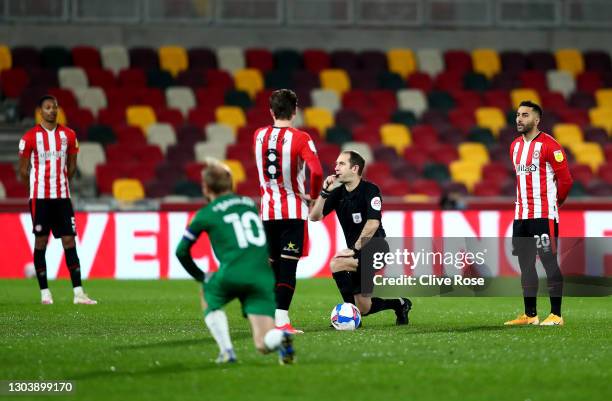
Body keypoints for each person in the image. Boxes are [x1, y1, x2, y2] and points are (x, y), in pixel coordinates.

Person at [175, 162, 295, 364]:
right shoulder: (248, 203)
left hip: (233, 273)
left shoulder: (206, 214)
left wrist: (201, 276)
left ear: (205, 187)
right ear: (231, 184)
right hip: (262, 276)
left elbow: (181, 251)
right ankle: (280, 339)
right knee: (262, 344)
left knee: (207, 292)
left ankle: (227, 351)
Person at [309, 150, 411, 325]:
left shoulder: (370, 190)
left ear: (355, 168)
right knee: (365, 307)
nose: (336, 168)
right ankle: (400, 304)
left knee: (337, 263)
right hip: (357, 253)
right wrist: (325, 192)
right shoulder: (338, 193)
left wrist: (354, 249)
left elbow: (373, 223)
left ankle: (351, 318)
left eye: (341, 164)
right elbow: (314, 216)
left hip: (376, 248)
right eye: (336, 164)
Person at [253, 89, 323, 333]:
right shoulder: (301, 138)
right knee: (287, 268)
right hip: (292, 212)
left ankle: (267, 318)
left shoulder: (258, 135)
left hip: (267, 213)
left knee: (272, 266)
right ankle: (282, 322)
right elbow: (316, 171)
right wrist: (313, 197)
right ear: (295, 111)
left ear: (271, 112)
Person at [18, 95, 96, 305]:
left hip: (62, 197)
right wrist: (36, 189)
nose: (52, 111)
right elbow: (23, 170)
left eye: (55, 107)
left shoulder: (69, 135)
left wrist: (60, 183)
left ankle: (79, 293)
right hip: (40, 197)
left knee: (69, 241)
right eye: (47, 107)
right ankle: (45, 293)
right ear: (40, 111)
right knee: (41, 242)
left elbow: (71, 166)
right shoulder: (29, 137)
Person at [505, 101, 573, 326]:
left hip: (543, 215)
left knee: (548, 261)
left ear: (536, 120)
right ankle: (530, 315)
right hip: (521, 215)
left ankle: (556, 315)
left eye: (525, 115)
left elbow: (566, 180)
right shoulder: (514, 146)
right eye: (517, 115)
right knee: (525, 264)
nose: (519, 119)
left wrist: (555, 204)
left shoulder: (550, 145)